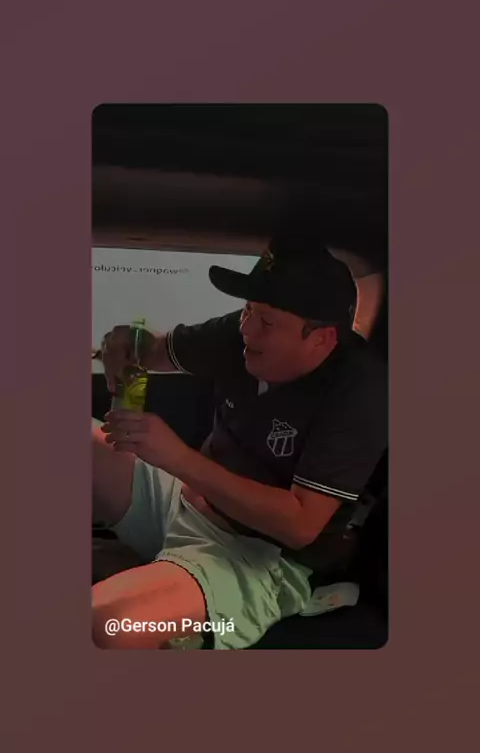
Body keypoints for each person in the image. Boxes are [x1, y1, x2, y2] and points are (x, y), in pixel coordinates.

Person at [92, 238, 387, 649]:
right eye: (248, 310)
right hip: (182, 503)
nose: (247, 328)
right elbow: (156, 351)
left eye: (267, 321)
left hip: (256, 559)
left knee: (108, 627)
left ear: (321, 339)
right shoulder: (242, 334)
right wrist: (130, 344)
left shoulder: (359, 393)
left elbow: (300, 525)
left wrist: (178, 458)